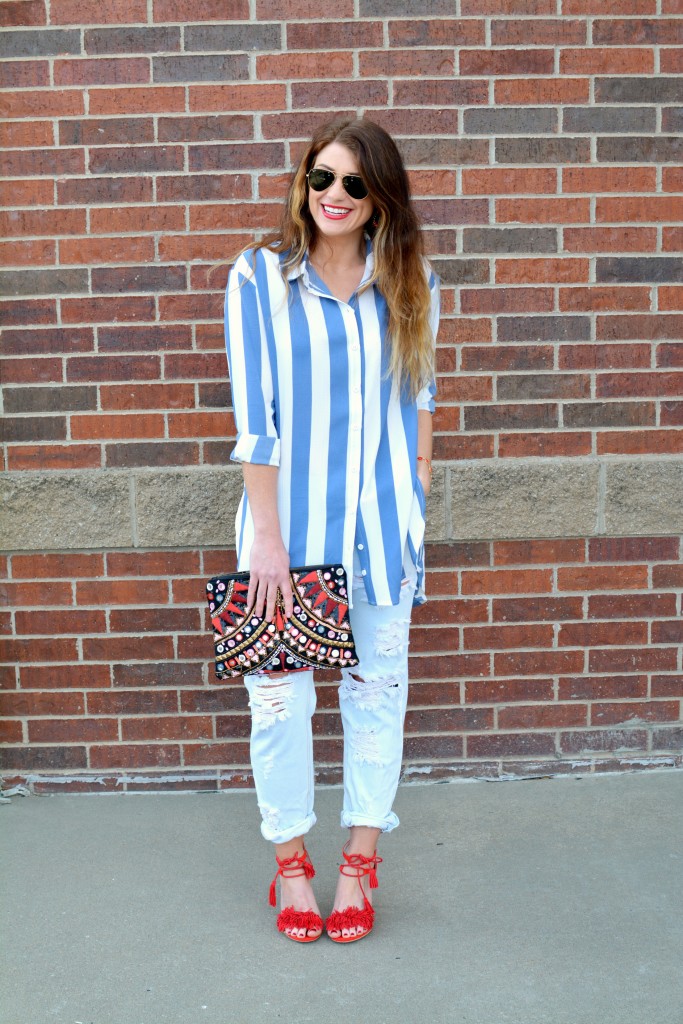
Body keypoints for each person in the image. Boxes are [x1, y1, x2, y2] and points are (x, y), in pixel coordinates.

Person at [223, 116, 440, 944]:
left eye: (353, 182)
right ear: (302, 183)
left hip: (384, 535)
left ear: (379, 195)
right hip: (285, 535)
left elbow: (420, 403)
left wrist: (414, 498)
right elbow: (257, 424)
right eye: (321, 178)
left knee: (376, 698)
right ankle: (289, 866)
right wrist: (267, 541)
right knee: (278, 704)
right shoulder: (260, 279)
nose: (334, 196)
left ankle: (358, 862)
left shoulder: (411, 280)